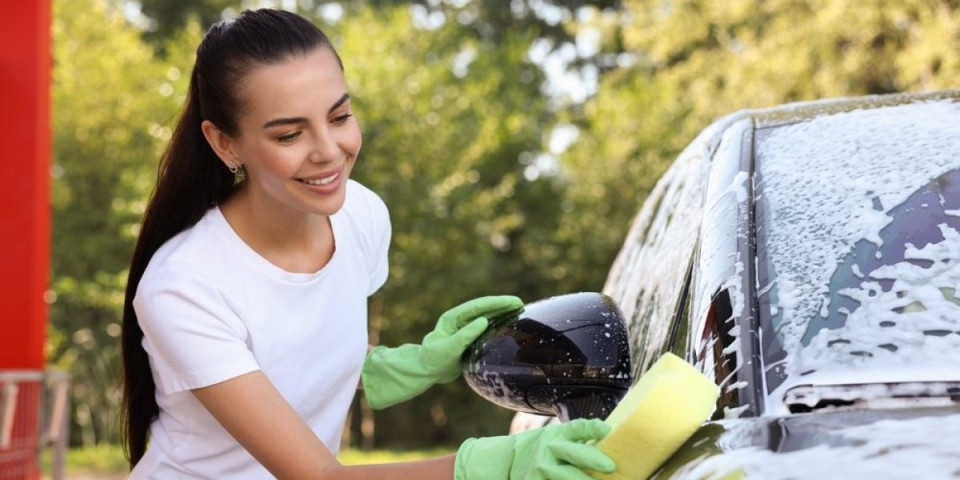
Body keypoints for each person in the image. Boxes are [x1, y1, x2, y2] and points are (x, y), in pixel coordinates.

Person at [120, 8, 616, 480]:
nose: (329, 152)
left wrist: (402, 365)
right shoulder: (184, 286)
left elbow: (298, 346)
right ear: (225, 143)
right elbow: (315, 473)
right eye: (290, 134)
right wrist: (495, 466)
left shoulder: (359, 215)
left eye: (339, 117)